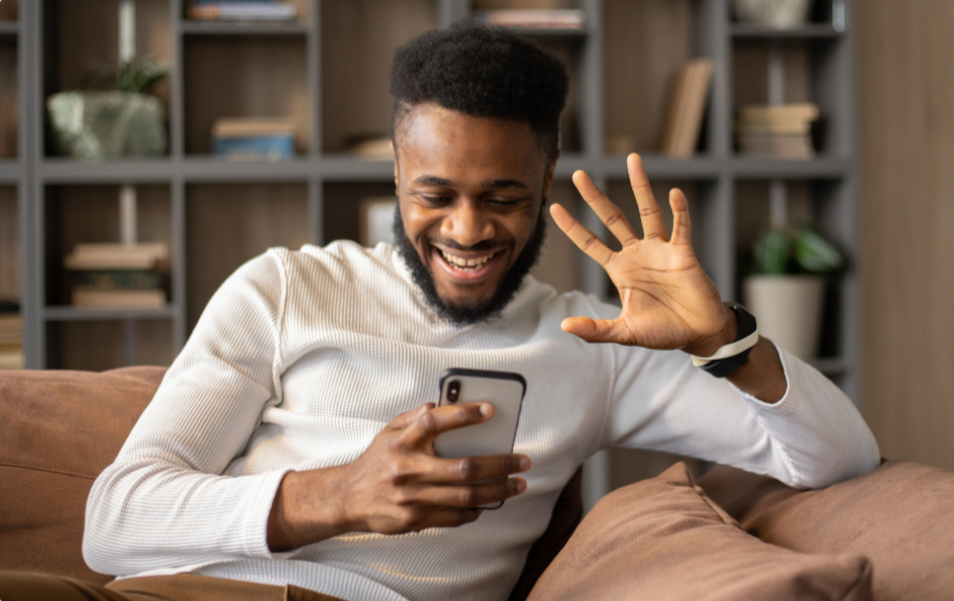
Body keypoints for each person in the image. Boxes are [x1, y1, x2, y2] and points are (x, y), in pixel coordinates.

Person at [1, 22, 879, 601]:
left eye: (503, 195)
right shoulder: (285, 287)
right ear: (393, 171)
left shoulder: (592, 342)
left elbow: (840, 455)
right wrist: (334, 495)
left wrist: (723, 337)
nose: (466, 230)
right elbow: (115, 522)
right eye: (436, 193)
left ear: (547, 176)